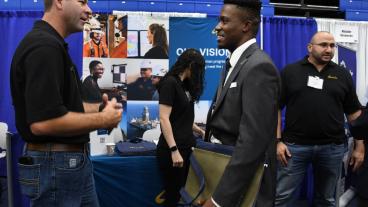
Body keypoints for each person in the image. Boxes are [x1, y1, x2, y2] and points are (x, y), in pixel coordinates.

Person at [10, 0, 122, 206]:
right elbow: (44, 122)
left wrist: (99, 109)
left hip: (67, 163)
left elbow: (66, 106)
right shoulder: (44, 46)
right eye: (82, 2)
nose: (89, 10)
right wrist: (102, 119)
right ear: (59, 2)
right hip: (56, 164)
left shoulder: (53, 45)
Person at [203, 0, 281, 207]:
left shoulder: (259, 66)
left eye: (224, 21)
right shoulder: (234, 62)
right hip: (225, 172)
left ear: (246, 25)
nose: (217, 27)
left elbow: (252, 141)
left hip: (243, 189)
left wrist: (220, 199)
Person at [275, 31, 365, 207]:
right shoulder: (290, 71)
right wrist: (277, 141)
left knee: (327, 200)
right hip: (294, 147)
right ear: (310, 47)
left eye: (332, 46)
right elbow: (275, 108)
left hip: (332, 148)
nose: (329, 49)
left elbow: (354, 113)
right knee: (283, 198)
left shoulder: (342, 74)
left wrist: (360, 146)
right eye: (324, 45)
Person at [156, 48, 206, 207]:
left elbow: (181, 117)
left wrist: (199, 130)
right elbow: (164, 118)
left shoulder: (184, 85)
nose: (199, 73)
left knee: (183, 197)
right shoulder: (170, 83)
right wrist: (174, 150)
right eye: (198, 68)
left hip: (186, 147)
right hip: (173, 152)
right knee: (172, 198)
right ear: (190, 65)